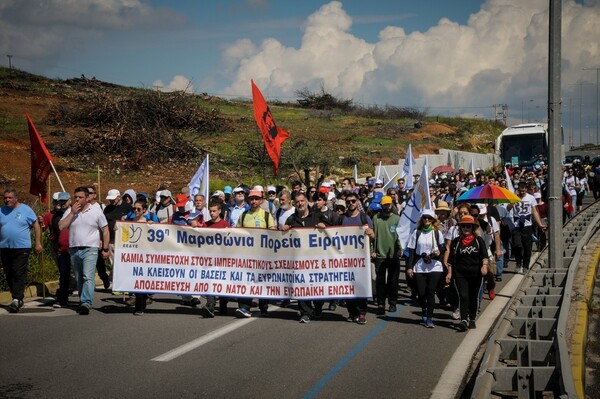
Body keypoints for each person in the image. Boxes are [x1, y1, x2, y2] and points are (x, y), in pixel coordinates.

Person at [59, 186, 110, 315]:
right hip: (74, 249)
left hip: (90, 248)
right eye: (75, 197)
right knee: (79, 278)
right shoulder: (70, 211)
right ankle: (83, 300)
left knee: (88, 276)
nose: (77, 199)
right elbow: (61, 226)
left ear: (87, 198)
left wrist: (105, 248)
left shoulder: (96, 211)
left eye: (80, 197)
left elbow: (105, 230)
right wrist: (72, 213)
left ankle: (86, 302)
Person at [283, 192, 327, 323]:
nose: (300, 204)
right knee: (302, 286)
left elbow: (332, 231)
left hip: (317, 259)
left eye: (302, 201)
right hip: (299, 261)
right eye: (297, 202)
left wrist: (325, 227)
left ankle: (318, 307)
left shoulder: (317, 216)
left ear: (307, 201)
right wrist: (284, 230)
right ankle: (305, 312)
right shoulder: (291, 219)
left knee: (317, 286)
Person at [0, 188, 43, 313]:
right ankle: (17, 295)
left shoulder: (25, 209)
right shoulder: (1, 211)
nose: (7, 200)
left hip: (21, 247)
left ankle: (17, 299)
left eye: (9, 197)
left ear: (16, 198)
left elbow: (36, 225)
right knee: (8, 273)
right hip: (5, 247)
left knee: (18, 271)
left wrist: (38, 242)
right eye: (5, 197)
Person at [235, 189, 276, 317]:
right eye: (251, 199)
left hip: (263, 254)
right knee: (246, 280)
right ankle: (244, 307)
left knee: (263, 281)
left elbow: (273, 233)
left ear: (261, 200)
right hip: (247, 255)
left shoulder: (266, 216)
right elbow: (237, 232)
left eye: (256, 199)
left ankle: (263, 307)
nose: (253, 201)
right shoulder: (243, 215)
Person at [447, 215, 488, 331]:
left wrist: (484, 266)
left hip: (476, 274)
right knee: (463, 296)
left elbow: (484, 255)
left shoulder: (478, 240)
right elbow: (451, 259)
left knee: (473, 297)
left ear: (473, 228)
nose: (465, 228)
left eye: (468, 226)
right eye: (463, 226)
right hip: (460, 273)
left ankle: (472, 318)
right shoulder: (456, 242)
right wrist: (449, 273)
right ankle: (463, 320)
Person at [340, 192, 375, 325]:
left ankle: (361, 313)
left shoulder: (364, 217)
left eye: (353, 201)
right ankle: (352, 312)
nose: (350, 204)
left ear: (358, 202)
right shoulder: (341, 219)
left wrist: (371, 233)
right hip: (345, 260)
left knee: (361, 286)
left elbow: (373, 236)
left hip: (361, 260)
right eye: (348, 201)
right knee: (348, 287)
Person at [406, 209, 445, 328]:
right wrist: (409, 267)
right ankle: (423, 308)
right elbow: (411, 250)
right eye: (424, 218)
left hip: (435, 266)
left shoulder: (437, 232)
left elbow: (443, 248)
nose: (427, 220)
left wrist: (438, 252)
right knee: (421, 292)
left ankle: (429, 317)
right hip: (420, 265)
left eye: (429, 218)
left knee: (430, 292)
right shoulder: (416, 232)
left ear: (433, 220)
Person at [200, 199, 231, 318]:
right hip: (209, 260)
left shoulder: (225, 225)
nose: (212, 213)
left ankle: (223, 305)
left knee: (222, 284)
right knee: (209, 282)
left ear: (219, 211)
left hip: (222, 260)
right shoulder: (206, 225)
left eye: (214, 211)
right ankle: (210, 305)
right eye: (210, 211)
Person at [372, 195, 401, 315]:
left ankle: (392, 303)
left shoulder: (397, 219)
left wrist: (400, 248)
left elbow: (401, 236)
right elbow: (372, 235)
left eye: (388, 204)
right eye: (384, 204)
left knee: (393, 281)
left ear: (392, 204)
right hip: (380, 254)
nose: (386, 207)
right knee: (380, 282)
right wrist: (372, 250)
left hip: (393, 255)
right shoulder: (376, 218)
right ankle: (381, 304)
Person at [508, 182, 546, 274]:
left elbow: (535, 212)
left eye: (523, 190)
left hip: (527, 225)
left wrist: (540, 224)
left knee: (527, 247)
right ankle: (518, 263)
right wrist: (514, 200)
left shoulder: (531, 198)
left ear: (526, 189)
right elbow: (508, 208)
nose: (522, 192)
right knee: (517, 245)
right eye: (520, 190)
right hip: (517, 225)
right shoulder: (514, 197)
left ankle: (525, 266)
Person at [128, 200, 155, 316]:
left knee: (143, 281)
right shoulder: (129, 222)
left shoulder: (148, 223)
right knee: (136, 281)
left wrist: (153, 226)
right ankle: (140, 304)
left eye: (138, 209)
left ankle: (140, 304)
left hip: (146, 256)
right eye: (134, 209)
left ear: (144, 210)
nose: (136, 211)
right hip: (134, 255)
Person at [51, 192, 73, 308]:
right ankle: (62, 299)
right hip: (61, 249)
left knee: (80, 275)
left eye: (65, 201)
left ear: (70, 201)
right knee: (63, 274)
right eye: (61, 201)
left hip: (74, 248)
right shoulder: (56, 215)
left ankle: (84, 299)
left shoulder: (76, 213)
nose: (63, 203)